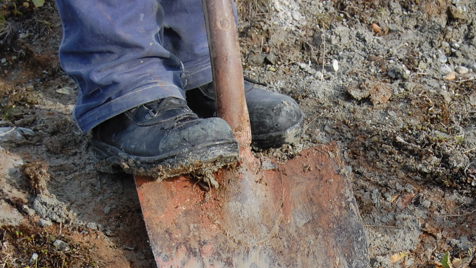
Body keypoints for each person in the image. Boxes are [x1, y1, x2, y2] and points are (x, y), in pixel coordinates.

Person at [53, 0, 304, 177]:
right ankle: (128, 84)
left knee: (201, 43)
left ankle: (199, 68)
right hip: (123, 71)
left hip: (205, 51)